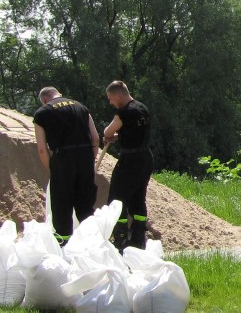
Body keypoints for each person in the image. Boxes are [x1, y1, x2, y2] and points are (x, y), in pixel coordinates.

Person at [33, 86, 99, 245]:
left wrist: (53, 169)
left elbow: (42, 149)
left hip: (62, 158)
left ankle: (64, 245)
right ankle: (92, 244)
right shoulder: (81, 107)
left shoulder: (42, 113)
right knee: (85, 205)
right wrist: (90, 160)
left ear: (44, 99)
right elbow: (95, 138)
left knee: (61, 206)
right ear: (58, 94)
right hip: (85, 157)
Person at [102, 81, 161, 251]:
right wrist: (120, 136)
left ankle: (120, 238)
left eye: (110, 98)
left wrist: (111, 135)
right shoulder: (142, 108)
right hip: (145, 157)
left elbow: (107, 132)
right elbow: (134, 132)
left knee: (116, 199)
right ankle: (138, 238)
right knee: (138, 198)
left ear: (118, 95)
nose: (110, 102)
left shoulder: (124, 112)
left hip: (130, 159)